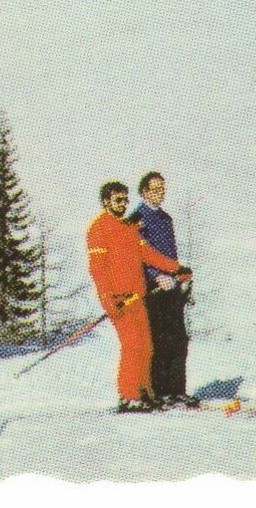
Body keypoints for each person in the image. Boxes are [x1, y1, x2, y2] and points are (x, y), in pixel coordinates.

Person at [86, 180, 189, 413]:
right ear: (106, 202)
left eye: (125, 199)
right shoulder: (99, 228)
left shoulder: (128, 228)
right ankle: (128, 395)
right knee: (132, 346)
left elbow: (149, 255)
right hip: (120, 299)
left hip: (137, 296)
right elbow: (98, 269)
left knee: (146, 346)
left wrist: (176, 268)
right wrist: (108, 299)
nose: (123, 204)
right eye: (117, 200)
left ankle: (143, 393)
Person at [129, 172, 197, 408]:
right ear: (144, 191)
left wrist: (179, 274)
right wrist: (155, 276)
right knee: (159, 340)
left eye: (162, 189)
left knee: (178, 338)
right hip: (152, 288)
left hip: (172, 287)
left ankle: (177, 390)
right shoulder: (137, 218)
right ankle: (158, 391)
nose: (160, 194)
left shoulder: (166, 219)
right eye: (155, 189)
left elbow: (170, 254)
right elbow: (138, 255)